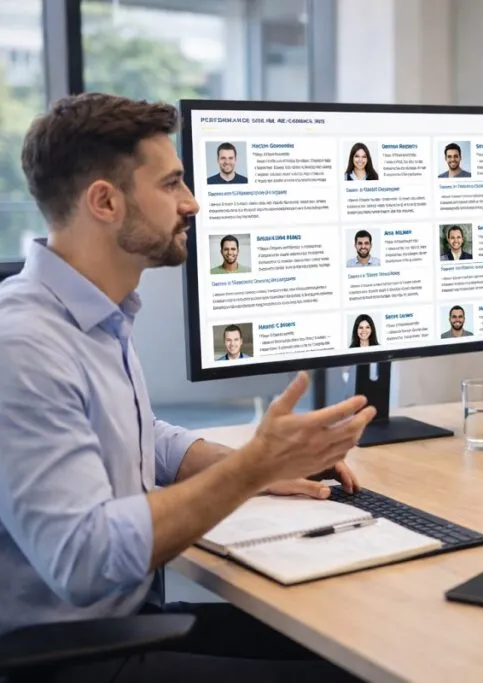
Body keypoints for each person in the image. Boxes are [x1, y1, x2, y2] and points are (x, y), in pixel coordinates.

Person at [1, 92, 376, 682]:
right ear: (105, 201)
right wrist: (250, 469)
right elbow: (84, 559)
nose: (192, 203)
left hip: (127, 622)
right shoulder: (23, 344)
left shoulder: (99, 315)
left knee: (354, 638)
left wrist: (269, 467)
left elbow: (145, 437)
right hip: (70, 656)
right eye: (172, 183)